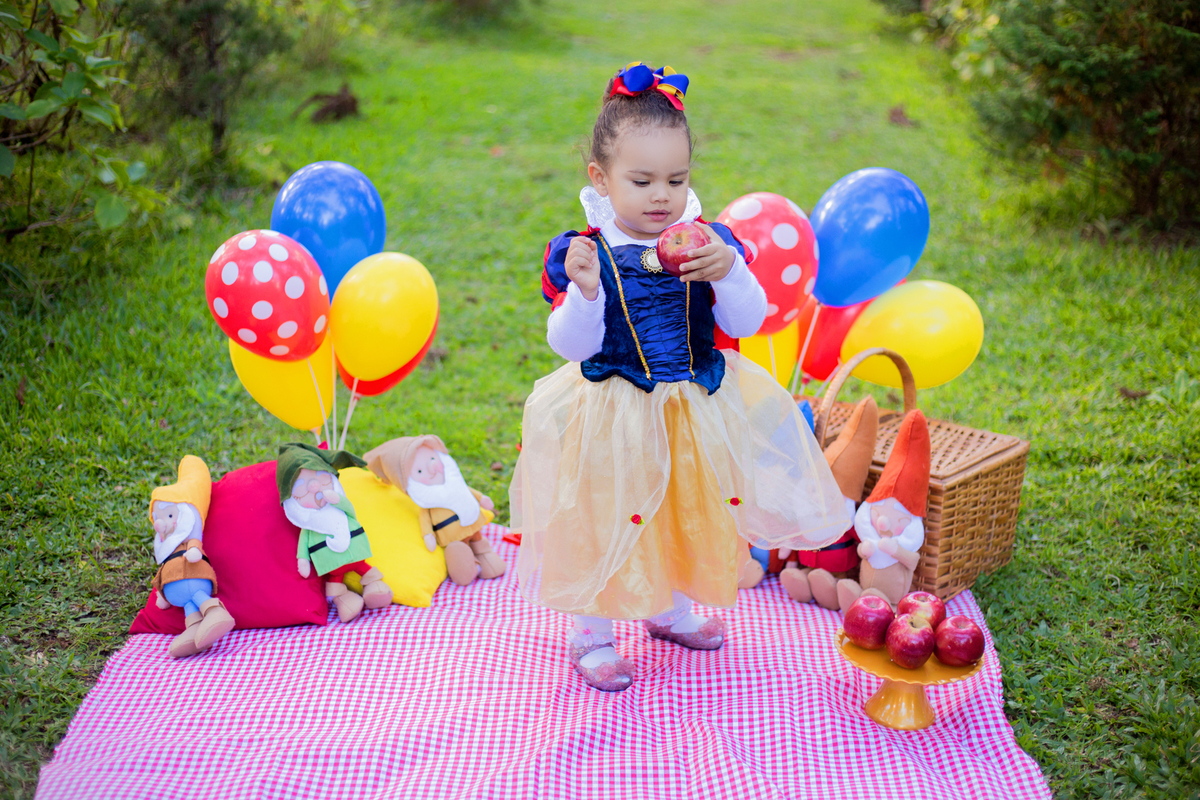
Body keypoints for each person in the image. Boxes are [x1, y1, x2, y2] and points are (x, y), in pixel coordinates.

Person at [510, 62, 850, 691]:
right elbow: (570, 347)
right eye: (641, 181)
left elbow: (748, 318)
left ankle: (671, 608)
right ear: (601, 179)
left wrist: (728, 272)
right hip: (617, 406)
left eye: (676, 178)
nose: (661, 195)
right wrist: (585, 293)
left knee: (681, 506)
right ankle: (594, 628)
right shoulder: (587, 251)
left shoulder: (705, 243)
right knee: (610, 512)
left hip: (693, 403)